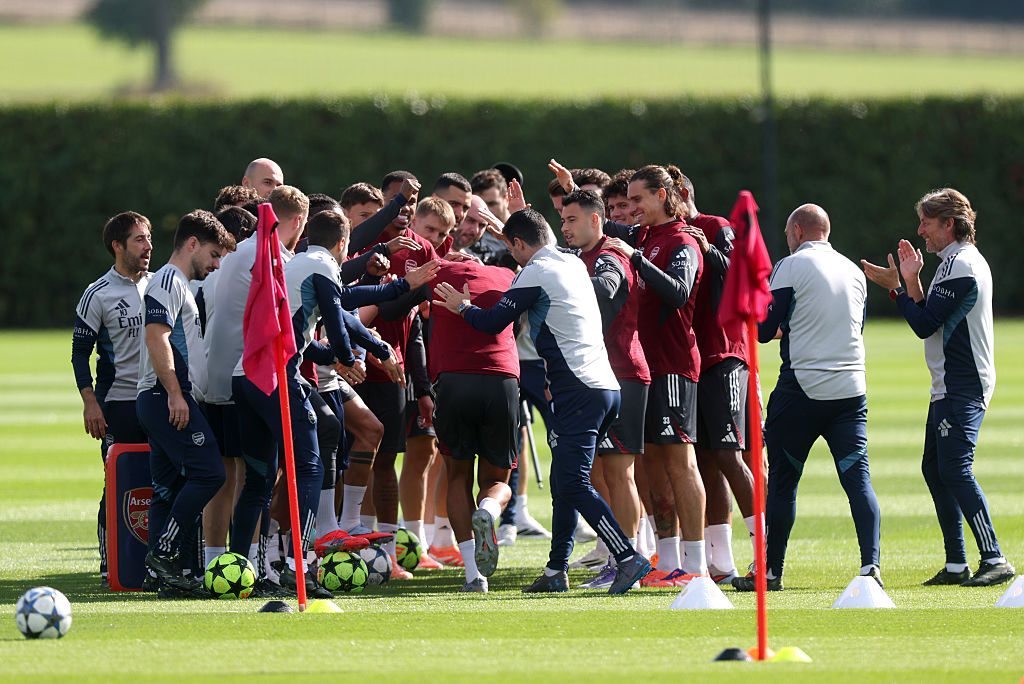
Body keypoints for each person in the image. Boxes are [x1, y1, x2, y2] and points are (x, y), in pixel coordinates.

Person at [434, 208, 650, 595]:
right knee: (564, 480)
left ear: (518, 245)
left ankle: (628, 557)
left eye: (512, 248)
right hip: (604, 387)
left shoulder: (536, 271)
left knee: (574, 482)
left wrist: (461, 306)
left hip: (579, 391)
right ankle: (556, 570)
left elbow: (491, 323)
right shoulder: (570, 262)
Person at [861, 188, 1014, 587]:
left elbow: (924, 323)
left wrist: (897, 288)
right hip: (949, 382)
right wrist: (911, 280)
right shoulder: (951, 263)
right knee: (935, 468)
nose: (920, 230)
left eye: (927, 223)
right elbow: (931, 312)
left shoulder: (963, 265)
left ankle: (995, 557)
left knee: (954, 468)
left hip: (963, 383)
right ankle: (956, 563)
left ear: (949, 224)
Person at [733, 204, 881, 592]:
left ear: (797, 230)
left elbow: (764, 328)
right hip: (851, 390)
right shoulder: (853, 270)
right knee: (858, 480)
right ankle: (871, 566)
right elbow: (853, 327)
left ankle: (771, 572)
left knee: (784, 482)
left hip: (802, 389)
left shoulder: (791, 264)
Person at [602, 164, 707, 587]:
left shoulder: (682, 241)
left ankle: (696, 566)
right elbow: (599, 224)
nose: (632, 209)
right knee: (652, 467)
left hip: (674, 366)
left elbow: (678, 292)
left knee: (680, 463)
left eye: (638, 200)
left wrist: (638, 260)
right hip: (646, 370)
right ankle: (666, 560)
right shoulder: (645, 236)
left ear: (662, 196)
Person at [136, 210, 234, 595]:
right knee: (211, 474)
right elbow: (156, 337)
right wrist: (176, 394)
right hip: (165, 397)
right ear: (192, 243)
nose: (215, 264)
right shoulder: (169, 280)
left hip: (162, 396)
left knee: (168, 489)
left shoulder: (177, 284)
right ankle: (162, 555)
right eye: (213, 254)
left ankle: (159, 575)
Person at [560, 190, 649, 590]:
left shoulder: (610, 255)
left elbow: (607, 289)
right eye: (562, 221)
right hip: (603, 375)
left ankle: (626, 560)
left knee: (620, 474)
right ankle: (619, 556)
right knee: (602, 475)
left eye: (572, 220)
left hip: (623, 373)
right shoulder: (585, 256)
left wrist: (561, 285)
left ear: (596, 220)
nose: (565, 228)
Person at [72, 211, 153, 582]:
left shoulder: (160, 285)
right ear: (117, 246)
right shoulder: (97, 293)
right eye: (139, 239)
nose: (148, 246)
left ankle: (157, 557)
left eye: (149, 238)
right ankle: (111, 562)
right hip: (117, 404)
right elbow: (79, 354)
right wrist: (91, 402)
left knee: (163, 478)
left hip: (157, 399)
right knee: (117, 481)